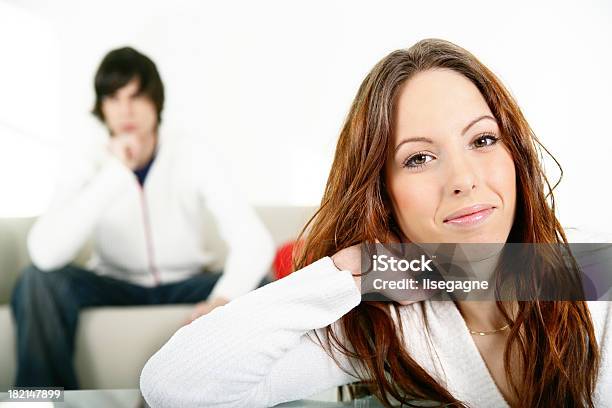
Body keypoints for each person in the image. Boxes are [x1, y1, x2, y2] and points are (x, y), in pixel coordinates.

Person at [139, 39, 611, 407]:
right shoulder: (394, 321)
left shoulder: (596, 272)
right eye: (420, 158)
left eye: (483, 139)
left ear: (515, 156)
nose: (464, 180)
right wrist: (353, 273)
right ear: (384, 195)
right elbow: (176, 386)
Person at [10, 46, 275, 389]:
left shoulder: (192, 154)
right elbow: (45, 254)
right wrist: (116, 172)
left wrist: (221, 300)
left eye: (136, 96)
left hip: (186, 282)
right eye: (113, 99)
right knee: (36, 281)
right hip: (115, 283)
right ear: (101, 107)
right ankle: (43, 401)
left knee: (264, 285)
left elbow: (253, 240)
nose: (125, 111)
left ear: (156, 102)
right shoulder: (87, 160)